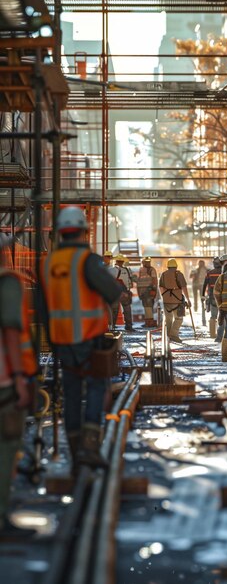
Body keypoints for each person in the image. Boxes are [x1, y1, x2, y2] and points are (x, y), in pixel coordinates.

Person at [40, 207, 122, 470]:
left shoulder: (47, 264)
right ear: (84, 231)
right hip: (89, 338)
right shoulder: (87, 260)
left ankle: (76, 454)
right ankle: (89, 446)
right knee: (97, 386)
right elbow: (111, 291)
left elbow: (42, 309)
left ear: (60, 233)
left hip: (62, 342)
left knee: (72, 393)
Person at [0, 234, 38, 538]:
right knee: (5, 448)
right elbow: (11, 333)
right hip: (4, 380)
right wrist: (20, 379)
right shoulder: (7, 283)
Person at [159, 258, 191, 343]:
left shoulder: (164, 274)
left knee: (168, 319)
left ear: (168, 266)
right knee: (179, 318)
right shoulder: (179, 274)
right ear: (176, 266)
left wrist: (164, 296)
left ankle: (168, 336)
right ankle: (173, 335)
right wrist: (188, 299)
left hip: (167, 300)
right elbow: (184, 287)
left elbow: (160, 287)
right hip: (177, 300)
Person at [109, 254, 134, 331]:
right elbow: (130, 283)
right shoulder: (127, 270)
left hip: (115, 291)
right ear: (122, 261)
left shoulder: (111, 270)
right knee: (127, 309)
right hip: (125, 292)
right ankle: (128, 326)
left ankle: (112, 326)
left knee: (114, 310)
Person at [202, 256, 223, 339]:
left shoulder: (209, 273)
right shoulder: (223, 273)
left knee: (213, 316)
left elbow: (204, 285)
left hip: (212, 297)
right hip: (222, 298)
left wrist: (203, 295)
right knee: (224, 316)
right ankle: (224, 334)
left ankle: (212, 334)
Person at [136, 256, 158, 327]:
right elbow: (139, 281)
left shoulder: (152, 270)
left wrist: (154, 290)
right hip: (143, 292)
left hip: (149, 291)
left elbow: (154, 281)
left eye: (148, 262)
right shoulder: (141, 270)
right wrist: (139, 292)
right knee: (146, 307)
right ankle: (148, 322)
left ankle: (149, 323)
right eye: (146, 262)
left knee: (148, 307)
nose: (147, 263)